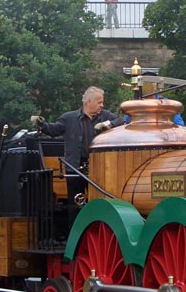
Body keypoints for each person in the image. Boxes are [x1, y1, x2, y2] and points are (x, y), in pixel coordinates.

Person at [32, 86, 125, 219]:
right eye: (99, 102)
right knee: (75, 205)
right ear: (88, 102)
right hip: (75, 168)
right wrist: (41, 124)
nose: (102, 105)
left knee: (100, 202)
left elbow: (121, 121)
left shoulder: (105, 116)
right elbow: (53, 130)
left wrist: (108, 124)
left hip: (99, 167)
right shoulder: (69, 118)